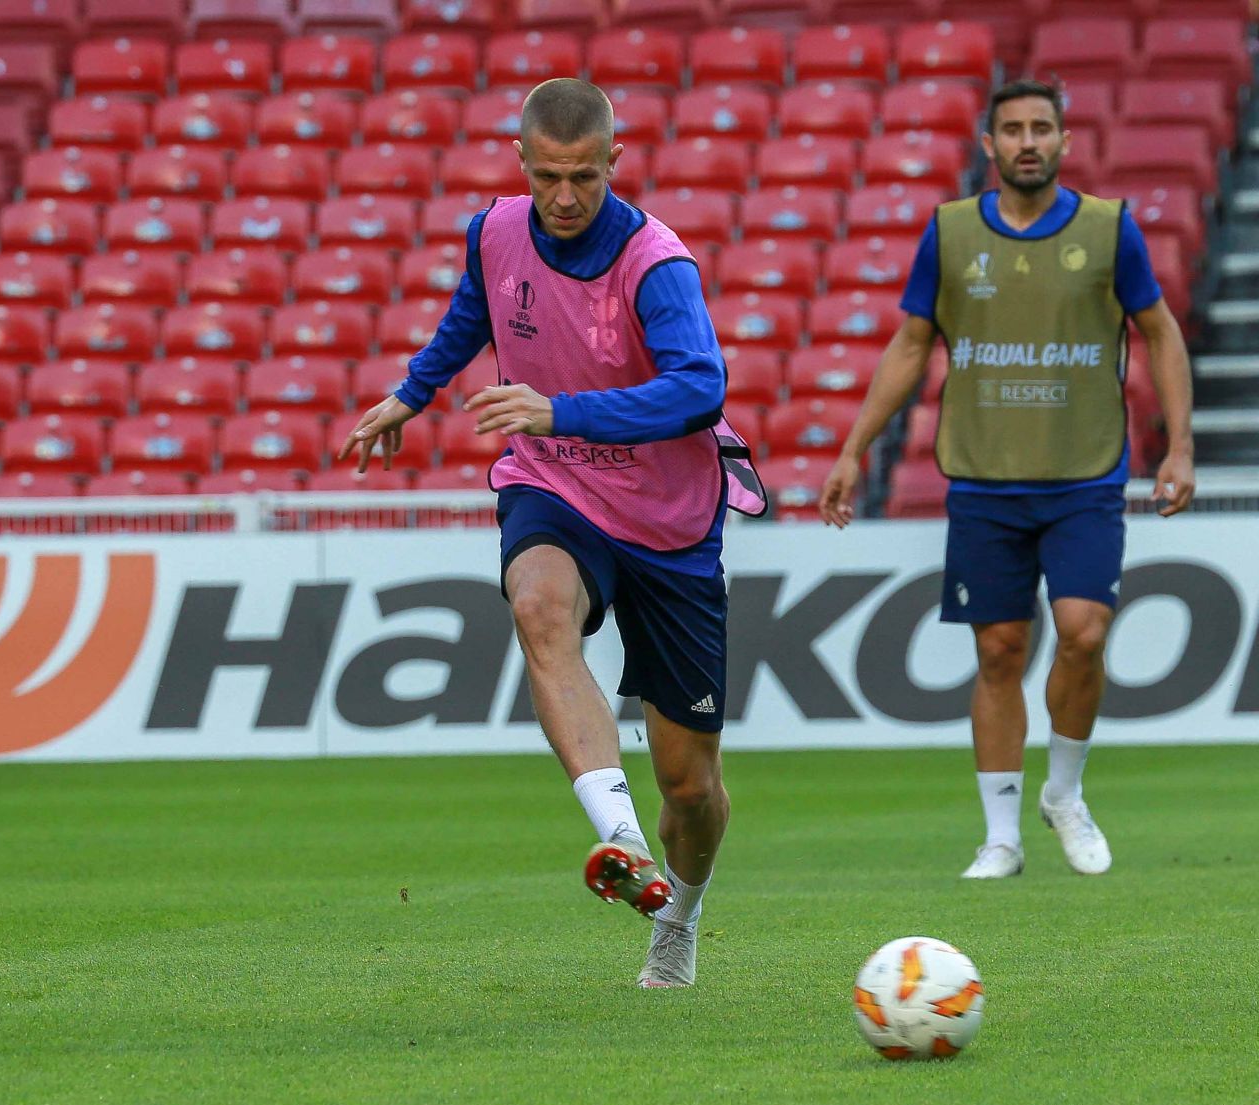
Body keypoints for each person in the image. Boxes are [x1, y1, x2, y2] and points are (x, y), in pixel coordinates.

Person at [341, 78, 763, 989]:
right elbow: (477, 313)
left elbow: (702, 388)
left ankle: (679, 920)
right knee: (538, 606)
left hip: (667, 521)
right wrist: (411, 393)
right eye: (548, 178)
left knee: (691, 787)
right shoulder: (494, 230)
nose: (565, 197)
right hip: (552, 482)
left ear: (616, 159)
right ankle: (617, 834)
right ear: (522, 164)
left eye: (583, 177)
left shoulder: (658, 264)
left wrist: (558, 405)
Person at [821, 78, 1195, 881]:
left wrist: (1180, 446)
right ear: (988, 146)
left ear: (1064, 141)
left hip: (1084, 474)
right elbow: (912, 344)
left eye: (1043, 128)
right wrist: (854, 447)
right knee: (999, 650)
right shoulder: (952, 233)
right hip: (985, 479)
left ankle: (1064, 793)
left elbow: (1160, 334)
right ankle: (1001, 837)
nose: (1029, 142)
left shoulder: (1109, 230)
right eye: (1013, 130)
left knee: (1085, 631)